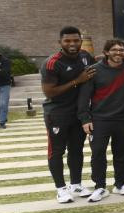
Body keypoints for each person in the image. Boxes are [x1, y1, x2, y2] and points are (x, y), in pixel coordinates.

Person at [78, 38, 124, 201]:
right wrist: (85, 119)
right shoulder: (93, 70)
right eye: (114, 50)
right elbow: (84, 97)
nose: (118, 53)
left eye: (121, 50)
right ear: (106, 52)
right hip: (100, 119)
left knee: (122, 153)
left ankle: (120, 183)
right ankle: (100, 186)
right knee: (98, 153)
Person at [40, 26, 96, 203]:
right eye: (67, 41)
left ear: (80, 40)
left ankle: (76, 184)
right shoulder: (52, 62)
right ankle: (61, 189)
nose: (72, 44)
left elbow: (95, 71)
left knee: (76, 150)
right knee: (57, 151)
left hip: (78, 113)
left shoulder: (85, 56)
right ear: (60, 42)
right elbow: (49, 92)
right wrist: (76, 81)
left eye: (75, 40)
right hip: (57, 113)